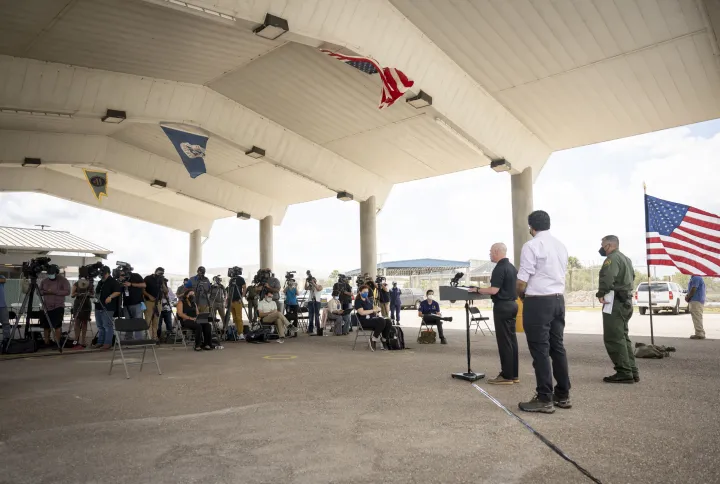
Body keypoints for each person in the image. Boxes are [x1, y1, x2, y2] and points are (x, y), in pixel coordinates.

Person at [516, 210, 571, 414]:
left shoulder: (531, 245)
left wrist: (522, 295)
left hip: (538, 302)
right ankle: (562, 395)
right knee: (557, 348)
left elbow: (522, 280)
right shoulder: (560, 245)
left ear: (531, 227)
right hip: (558, 300)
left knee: (540, 350)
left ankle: (544, 398)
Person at [472, 243, 518, 385]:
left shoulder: (499, 268)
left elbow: (493, 290)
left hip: (502, 307)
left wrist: (477, 289)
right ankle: (514, 374)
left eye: (491, 252)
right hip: (513, 305)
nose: (490, 254)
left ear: (497, 252)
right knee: (511, 341)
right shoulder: (512, 267)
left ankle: (506, 376)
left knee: (504, 342)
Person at [596, 235, 640, 384]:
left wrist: (601, 293)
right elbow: (632, 277)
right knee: (623, 337)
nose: (602, 248)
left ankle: (624, 372)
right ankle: (632, 371)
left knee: (613, 337)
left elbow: (608, 277)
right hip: (626, 301)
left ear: (609, 245)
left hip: (615, 302)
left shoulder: (612, 259)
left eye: (603, 245)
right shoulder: (626, 259)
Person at [38, 265, 71, 348]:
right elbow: (39, 292)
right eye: (49, 274)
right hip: (46, 307)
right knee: (46, 326)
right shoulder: (44, 281)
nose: (50, 275)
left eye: (52, 273)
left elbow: (67, 292)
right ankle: (47, 342)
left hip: (58, 306)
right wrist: (45, 292)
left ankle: (57, 343)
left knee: (57, 326)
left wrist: (55, 292)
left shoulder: (63, 280)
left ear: (56, 273)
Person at [93, 266, 121, 350]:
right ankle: (100, 342)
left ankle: (107, 342)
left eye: (103, 274)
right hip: (98, 306)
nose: (102, 276)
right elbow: (97, 292)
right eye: (101, 274)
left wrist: (110, 297)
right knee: (100, 325)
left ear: (108, 273)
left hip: (108, 307)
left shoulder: (113, 282)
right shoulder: (100, 282)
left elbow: (118, 292)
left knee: (107, 325)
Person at [354, 284, 389, 351]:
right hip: (364, 321)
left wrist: (377, 309)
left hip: (372, 318)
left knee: (388, 322)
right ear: (360, 292)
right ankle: (374, 339)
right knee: (381, 321)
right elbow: (362, 312)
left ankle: (384, 340)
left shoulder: (367, 300)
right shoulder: (358, 301)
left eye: (367, 292)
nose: (366, 293)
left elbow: (372, 308)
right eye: (364, 292)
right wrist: (373, 310)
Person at [120, 266, 146, 339]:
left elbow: (144, 285)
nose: (123, 274)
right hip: (126, 304)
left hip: (137, 303)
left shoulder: (136, 276)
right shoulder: (121, 278)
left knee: (137, 321)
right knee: (128, 321)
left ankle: (138, 339)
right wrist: (120, 281)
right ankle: (128, 337)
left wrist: (131, 284)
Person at [70, 274, 94, 349]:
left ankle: (83, 340)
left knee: (84, 322)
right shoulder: (76, 284)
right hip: (78, 303)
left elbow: (93, 295)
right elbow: (72, 295)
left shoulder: (90, 285)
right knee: (77, 322)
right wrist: (78, 293)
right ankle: (76, 340)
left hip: (86, 304)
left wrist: (88, 294)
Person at [143, 267, 166, 342]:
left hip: (158, 302)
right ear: (155, 271)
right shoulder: (148, 278)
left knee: (156, 320)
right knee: (148, 320)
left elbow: (166, 291)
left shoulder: (162, 280)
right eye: (159, 273)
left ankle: (155, 337)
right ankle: (148, 337)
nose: (160, 274)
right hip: (149, 302)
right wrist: (149, 295)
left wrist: (162, 282)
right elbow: (142, 289)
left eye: (162, 273)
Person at [686, 275, 706, 340]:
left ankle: (699, 333)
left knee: (697, 316)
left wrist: (688, 297)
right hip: (696, 300)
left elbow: (694, 288)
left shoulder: (696, 277)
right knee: (697, 316)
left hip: (696, 300)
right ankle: (700, 332)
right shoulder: (695, 278)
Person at [0, 275, 8, 345]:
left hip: (2, 305)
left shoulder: (1, 276)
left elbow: (4, 280)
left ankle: (6, 340)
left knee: (6, 323)